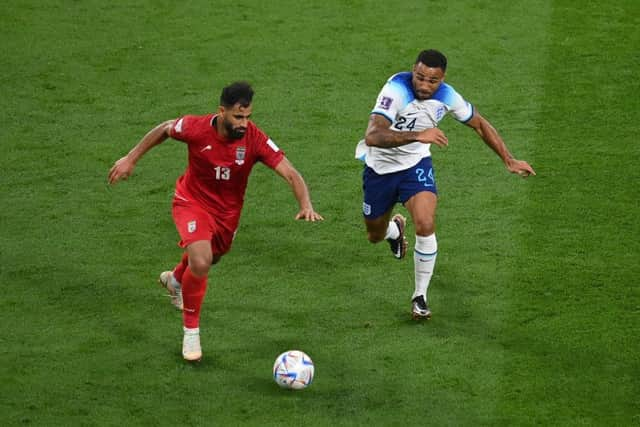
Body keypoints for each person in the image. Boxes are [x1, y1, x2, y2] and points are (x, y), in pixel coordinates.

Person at [109, 81, 323, 361]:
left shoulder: (255, 139)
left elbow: (291, 173)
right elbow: (165, 128)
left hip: (227, 215)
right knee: (201, 260)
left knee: (210, 258)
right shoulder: (196, 128)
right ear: (221, 112)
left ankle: (175, 279)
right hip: (191, 201)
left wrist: (305, 204)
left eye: (248, 117)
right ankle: (191, 335)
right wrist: (131, 158)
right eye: (238, 117)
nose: (244, 124)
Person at [355, 49, 535, 320]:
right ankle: (395, 231)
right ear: (412, 71)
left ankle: (420, 297)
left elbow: (479, 124)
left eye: (432, 81)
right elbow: (373, 135)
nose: (425, 86)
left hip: (415, 167)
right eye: (420, 77)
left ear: (442, 78)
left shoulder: (448, 96)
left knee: (426, 223)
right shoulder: (396, 90)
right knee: (374, 235)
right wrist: (419, 135)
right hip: (379, 170)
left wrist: (508, 159)